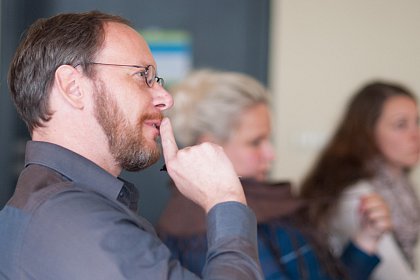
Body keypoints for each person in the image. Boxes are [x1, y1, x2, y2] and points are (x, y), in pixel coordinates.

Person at [0, 11, 264, 279]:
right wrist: (226, 199)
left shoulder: (49, 208)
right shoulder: (75, 222)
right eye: (142, 76)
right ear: (73, 87)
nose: (165, 99)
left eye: (156, 80)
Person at [157, 69, 392, 279]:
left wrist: (366, 238)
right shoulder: (210, 225)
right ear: (209, 145)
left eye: (268, 139)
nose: (271, 154)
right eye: (255, 142)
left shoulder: (261, 202)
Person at [300, 81, 420, 280]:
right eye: (401, 125)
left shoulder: (400, 185)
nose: (416, 134)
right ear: (367, 132)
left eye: (417, 121)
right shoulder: (358, 194)